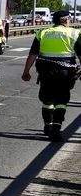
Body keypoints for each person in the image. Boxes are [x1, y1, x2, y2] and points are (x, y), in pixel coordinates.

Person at [21, 9, 81, 141]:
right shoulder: (75, 33)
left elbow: (32, 54)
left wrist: (26, 71)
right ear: (65, 20)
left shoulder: (42, 33)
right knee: (62, 100)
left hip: (46, 71)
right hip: (66, 72)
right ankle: (56, 128)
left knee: (47, 99)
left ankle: (48, 125)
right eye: (69, 19)